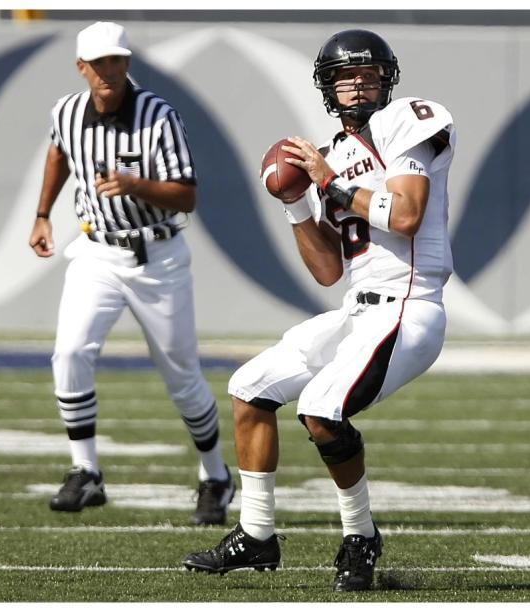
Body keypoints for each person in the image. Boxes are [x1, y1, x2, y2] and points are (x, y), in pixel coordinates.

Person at [183, 29, 455, 591]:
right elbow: (328, 270)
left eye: (368, 73)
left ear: (388, 78)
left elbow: (404, 216)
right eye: (345, 76)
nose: (358, 84)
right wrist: (296, 203)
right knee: (250, 386)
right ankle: (257, 535)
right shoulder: (331, 154)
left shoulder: (407, 119)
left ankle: (360, 536)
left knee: (321, 408)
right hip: (358, 309)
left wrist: (329, 184)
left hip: (409, 306)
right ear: (328, 87)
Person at [28, 21, 234, 524]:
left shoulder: (158, 115)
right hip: (96, 250)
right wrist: (41, 213)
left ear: (127, 63)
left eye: (117, 61)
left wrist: (135, 185)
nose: (110, 72)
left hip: (157, 255)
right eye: (99, 64)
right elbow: (59, 149)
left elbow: (186, 194)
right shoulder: (67, 111)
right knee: (71, 351)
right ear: (82, 67)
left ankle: (215, 476)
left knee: (181, 376)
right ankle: (86, 472)